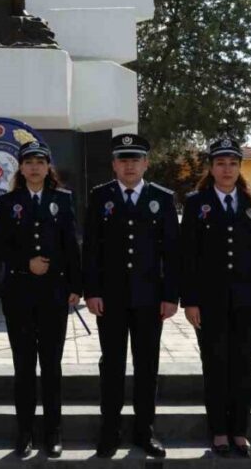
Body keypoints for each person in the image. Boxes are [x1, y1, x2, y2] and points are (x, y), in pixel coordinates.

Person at [82, 133, 179, 459]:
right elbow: (92, 249)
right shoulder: (100, 197)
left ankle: (144, 432)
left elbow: (172, 253)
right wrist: (91, 291)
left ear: (146, 163)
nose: (129, 165)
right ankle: (109, 431)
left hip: (150, 300)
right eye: (123, 159)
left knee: (146, 367)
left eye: (135, 159)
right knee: (111, 366)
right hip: (110, 299)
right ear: (114, 164)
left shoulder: (162, 198)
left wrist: (170, 296)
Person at [180, 137, 251, 458]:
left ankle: (240, 431)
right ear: (211, 167)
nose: (227, 169)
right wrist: (190, 300)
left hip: (248, 300)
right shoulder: (196, 204)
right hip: (210, 302)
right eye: (220, 163)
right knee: (216, 365)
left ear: (240, 167)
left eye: (233, 163)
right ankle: (219, 431)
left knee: (243, 366)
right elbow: (188, 257)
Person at [0, 140, 81, 458]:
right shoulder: (8, 202)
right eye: (28, 162)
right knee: (24, 367)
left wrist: (75, 285)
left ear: (48, 167)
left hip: (54, 294)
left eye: (39, 162)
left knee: (52, 367)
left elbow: (71, 244)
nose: (34, 167)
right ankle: (25, 432)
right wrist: (24, 263)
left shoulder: (63, 200)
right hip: (19, 294)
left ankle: (53, 432)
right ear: (21, 167)